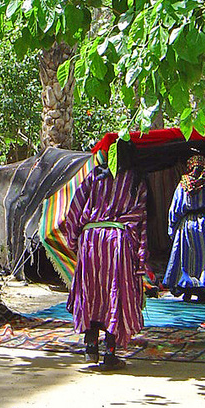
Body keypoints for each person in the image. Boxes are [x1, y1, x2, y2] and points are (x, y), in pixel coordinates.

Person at [65, 144, 148, 369]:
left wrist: (74, 240)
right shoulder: (135, 180)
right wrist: (140, 256)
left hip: (90, 240)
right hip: (117, 242)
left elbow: (74, 209)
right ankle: (110, 354)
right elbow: (139, 217)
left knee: (91, 291)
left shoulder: (94, 177)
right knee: (115, 295)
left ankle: (90, 347)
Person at [163, 153, 205, 302]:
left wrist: (173, 228)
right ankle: (202, 290)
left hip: (187, 225)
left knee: (188, 257)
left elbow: (175, 209)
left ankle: (188, 289)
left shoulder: (183, 185)